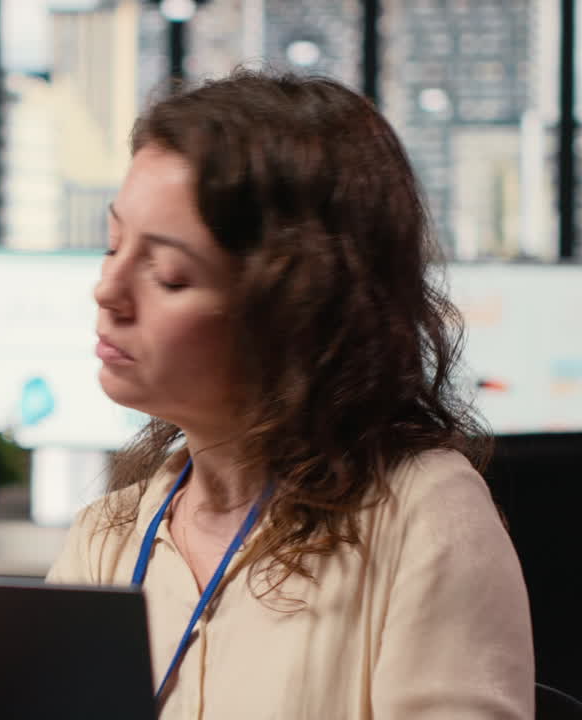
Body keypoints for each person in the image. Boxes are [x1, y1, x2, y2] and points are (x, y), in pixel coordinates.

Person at [48, 71, 533, 718]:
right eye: (113, 246)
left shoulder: (423, 517)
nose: (107, 290)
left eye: (167, 275)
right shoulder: (105, 541)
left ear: (295, 309)